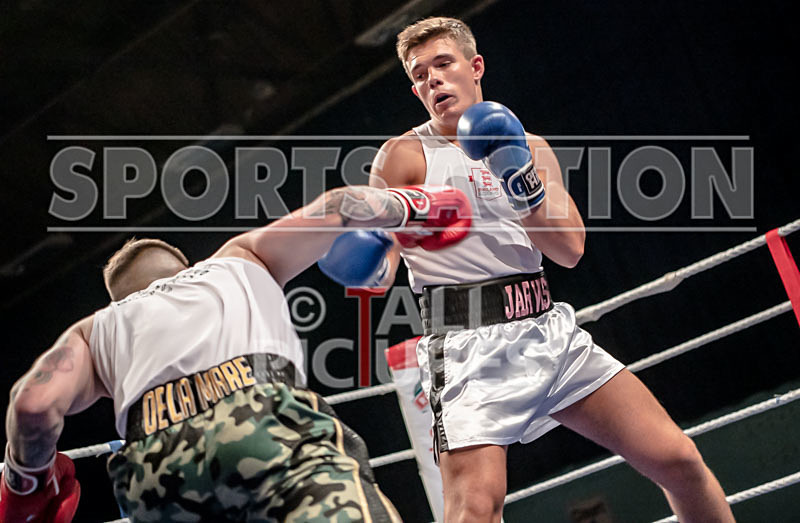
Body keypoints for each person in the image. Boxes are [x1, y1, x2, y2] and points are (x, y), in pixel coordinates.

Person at [320, 16, 735, 523]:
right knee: (475, 509)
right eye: (420, 73)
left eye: (443, 64)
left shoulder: (530, 147)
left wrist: (522, 184)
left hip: (543, 329)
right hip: (467, 344)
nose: (433, 79)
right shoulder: (404, 155)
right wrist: (361, 264)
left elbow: (569, 250)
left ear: (476, 67)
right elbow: (381, 269)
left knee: (679, 459)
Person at [0, 184, 472, 522]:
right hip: (263, 425)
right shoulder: (236, 260)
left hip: (158, 467)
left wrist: (27, 480)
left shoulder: (95, 330)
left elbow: (32, 404)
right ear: (186, 268)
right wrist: (421, 205)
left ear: (117, 300)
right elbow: (339, 207)